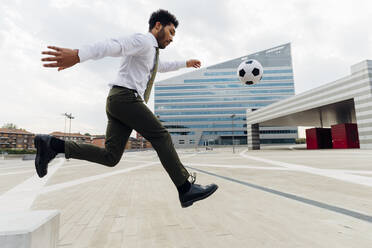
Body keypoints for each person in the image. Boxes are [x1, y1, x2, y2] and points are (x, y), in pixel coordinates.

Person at [35, 9, 218, 208]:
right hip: (125, 98)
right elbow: (114, 45)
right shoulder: (144, 41)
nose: (172, 38)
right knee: (162, 136)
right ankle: (185, 188)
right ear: (158, 26)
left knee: (110, 157)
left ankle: (53, 145)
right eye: (171, 31)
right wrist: (79, 55)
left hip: (117, 101)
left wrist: (185, 63)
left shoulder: (150, 52)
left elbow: (159, 67)